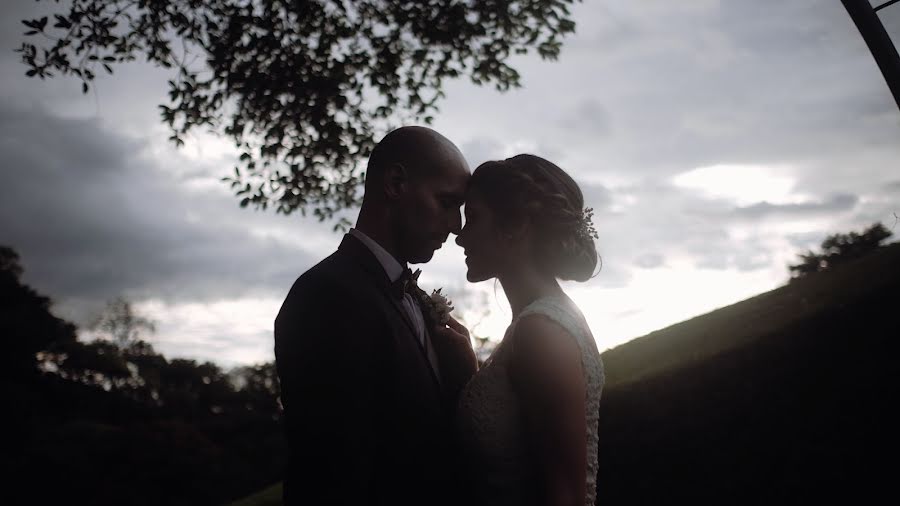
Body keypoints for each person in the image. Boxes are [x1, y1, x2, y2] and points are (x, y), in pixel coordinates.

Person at [273, 126, 477, 506]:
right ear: (396, 183)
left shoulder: (410, 295)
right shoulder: (325, 295)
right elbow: (331, 473)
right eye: (447, 202)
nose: (457, 226)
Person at [451, 154, 606, 506]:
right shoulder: (532, 325)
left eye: (472, 218)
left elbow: (564, 496)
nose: (460, 237)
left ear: (516, 226)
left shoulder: (542, 332)